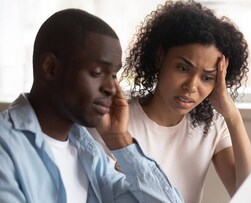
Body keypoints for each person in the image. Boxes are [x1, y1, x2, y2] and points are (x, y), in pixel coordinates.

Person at [0, 9, 183, 203]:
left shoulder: (88, 153)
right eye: (97, 72)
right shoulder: (6, 147)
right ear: (50, 67)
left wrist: (118, 138)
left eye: (114, 75)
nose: (112, 89)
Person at [119, 0, 251, 202]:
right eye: (183, 68)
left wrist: (232, 116)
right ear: (160, 57)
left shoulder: (211, 126)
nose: (191, 86)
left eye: (207, 77)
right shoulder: (117, 123)